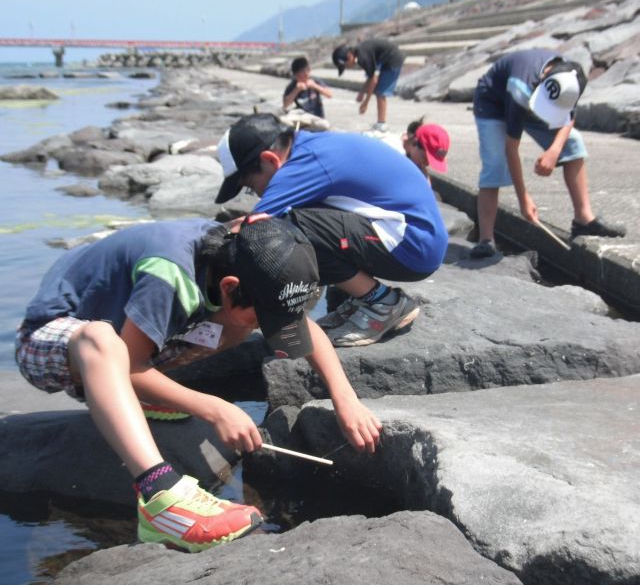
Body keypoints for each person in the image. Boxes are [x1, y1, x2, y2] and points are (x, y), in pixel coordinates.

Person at [15, 216, 382, 552]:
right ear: (229, 286)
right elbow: (126, 364)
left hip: (121, 342)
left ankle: (137, 401)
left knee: (236, 328)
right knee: (100, 339)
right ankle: (160, 498)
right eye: (263, 315)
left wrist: (345, 399)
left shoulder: (249, 256)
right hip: (57, 337)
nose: (268, 328)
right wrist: (213, 407)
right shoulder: (169, 274)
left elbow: (302, 327)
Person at [214, 113, 448, 348]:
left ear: (270, 159)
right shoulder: (309, 145)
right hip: (414, 238)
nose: (258, 194)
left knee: (285, 231)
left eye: (251, 187)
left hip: (414, 245)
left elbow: (253, 232)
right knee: (290, 225)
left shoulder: (303, 165)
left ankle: (383, 304)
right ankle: (363, 298)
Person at [470, 48, 626, 259]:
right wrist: (523, 198)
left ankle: (584, 220)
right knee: (495, 164)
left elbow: (569, 116)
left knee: (573, 144)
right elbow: (511, 147)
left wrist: (554, 150)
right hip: (493, 103)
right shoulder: (521, 87)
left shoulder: (572, 76)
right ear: (544, 80)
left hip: (534, 100)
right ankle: (486, 239)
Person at [332, 39, 405, 132]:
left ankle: (382, 125)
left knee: (380, 93)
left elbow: (373, 81)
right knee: (375, 86)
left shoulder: (363, 57)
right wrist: (362, 92)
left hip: (393, 59)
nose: (347, 68)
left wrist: (365, 103)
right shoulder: (359, 54)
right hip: (385, 59)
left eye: (345, 65)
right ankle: (380, 123)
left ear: (349, 56)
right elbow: (370, 76)